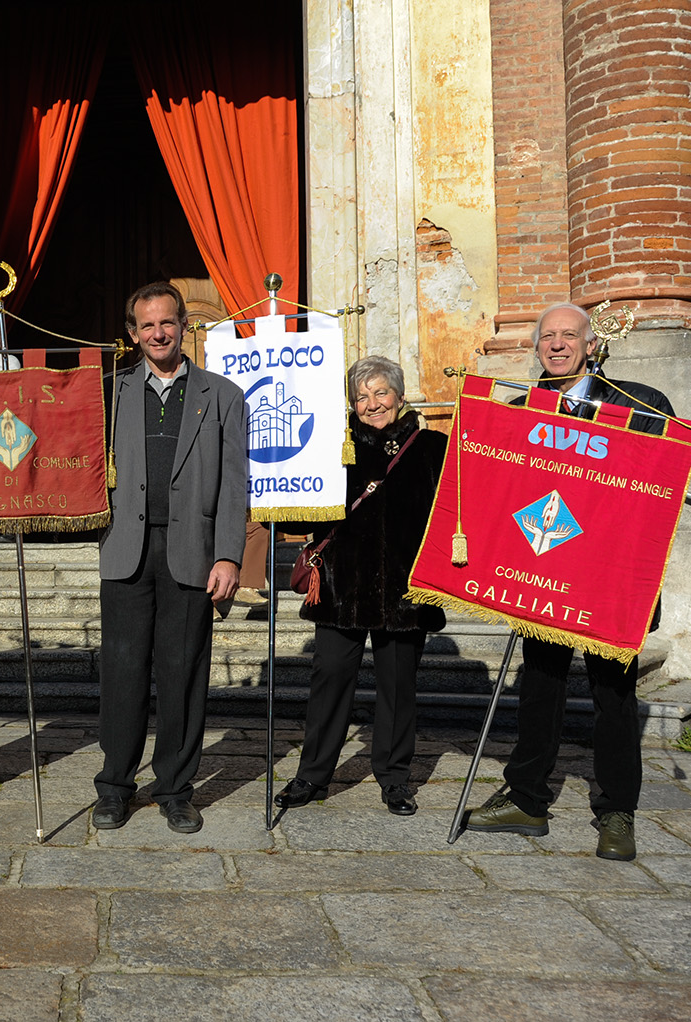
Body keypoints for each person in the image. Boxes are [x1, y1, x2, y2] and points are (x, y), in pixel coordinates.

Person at [464, 302, 674, 861]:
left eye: (568, 336)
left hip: (610, 581)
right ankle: (528, 799)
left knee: (614, 696)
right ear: (537, 348)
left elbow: (660, 485)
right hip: (547, 566)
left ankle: (617, 812)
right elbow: (501, 490)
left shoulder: (640, 405)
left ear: (590, 345)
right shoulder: (519, 409)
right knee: (540, 686)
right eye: (548, 337)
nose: (557, 345)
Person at [93, 282, 247, 834]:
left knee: (183, 675)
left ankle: (177, 789)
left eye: (168, 323)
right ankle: (114, 785)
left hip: (191, 553)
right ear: (132, 334)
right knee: (123, 673)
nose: (158, 333)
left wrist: (229, 555)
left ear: (185, 327)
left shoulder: (223, 395)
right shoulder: (108, 392)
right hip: (126, 551)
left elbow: (235, 485)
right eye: (147, 325)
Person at [274, 356, 448, 817]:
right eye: (361, 396)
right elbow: (301, 515)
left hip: (405, 591)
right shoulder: (335, 445)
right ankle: (312, 775)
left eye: (380, 393)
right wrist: (279, 493)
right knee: (329, 678)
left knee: (397, 687)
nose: (371, 404)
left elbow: (458, 512)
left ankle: (394, 778)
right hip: (341, 587)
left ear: (400, 395)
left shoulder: (433, 447)